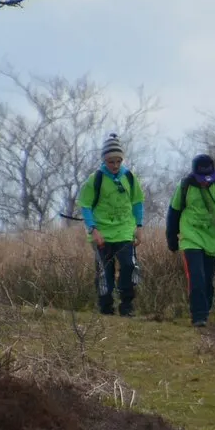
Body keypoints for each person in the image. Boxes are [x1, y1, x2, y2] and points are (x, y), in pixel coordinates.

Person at [77, 134, 145, 316]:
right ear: (104, 160)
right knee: (104, 272)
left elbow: (137, 202)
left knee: (129, 266)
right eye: (111, 161)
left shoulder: (129, 177)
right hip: (102, 232)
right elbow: (85, 205)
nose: (115, 165)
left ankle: (127, 305)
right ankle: (106, 307)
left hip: (124, 230)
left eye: (118, 161)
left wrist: (139, 227)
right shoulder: (95, 179)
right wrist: (93, 229)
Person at [167, 153, 215, 328]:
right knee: (196, 276)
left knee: (208, 277)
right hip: (190, 236)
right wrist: (172, 238)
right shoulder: (184, 186)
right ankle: (198, 315)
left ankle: (206, 310)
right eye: (202, 178)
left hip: (213, 238)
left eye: (208, 178)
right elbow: (173, 213)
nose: (205, 182)